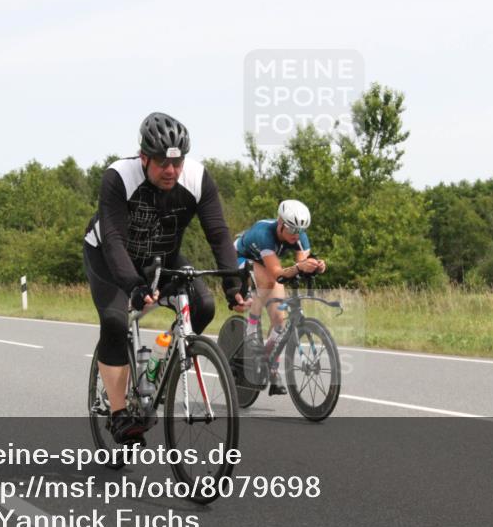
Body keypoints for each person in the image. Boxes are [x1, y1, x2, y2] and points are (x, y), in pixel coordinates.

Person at [83, 112, 248, 443]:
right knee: (115, 322)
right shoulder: (119, 177)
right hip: (109, 256)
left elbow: (217, 233)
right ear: (144, 157)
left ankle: (162, 364)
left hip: (162, 257)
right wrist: (132, 285)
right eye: (161, 163)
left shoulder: (198, 179)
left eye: (177, 162)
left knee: (203, 306)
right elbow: (114, 240)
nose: (171, 170)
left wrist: (233, 284)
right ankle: (118, 414)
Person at [235, 200, 326, 395]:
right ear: (280, 222)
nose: (295, 234)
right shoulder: (265, 234)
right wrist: (299, 267)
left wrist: (315, 266)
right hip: (240, 257)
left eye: (300, 230)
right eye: (291, 228)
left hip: (266, 264)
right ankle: (251, 329)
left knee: (280, 320)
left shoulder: (300, 237)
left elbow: (301, 267)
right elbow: (277, 273)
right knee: (268, 281)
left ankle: (271, 366)